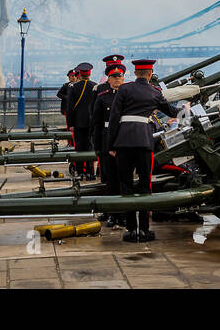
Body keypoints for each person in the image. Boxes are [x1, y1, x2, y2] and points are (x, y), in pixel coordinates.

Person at [107, 59, 178, 242]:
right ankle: (145, 230)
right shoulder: (155, 92)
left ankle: (131, 230)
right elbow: (171, 111)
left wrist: (111, 144)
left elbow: (114, 117)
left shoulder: (124, 89)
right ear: (150, 73)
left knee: (127, 185)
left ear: (135, 73)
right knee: (146, 185)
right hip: (145, 142)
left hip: (123, 141)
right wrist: (186, 109)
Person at [90, 60, 124, 226]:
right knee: (109, 178)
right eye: (114, 76)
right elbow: (96, 124)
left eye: (120, 76)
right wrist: (97, 147)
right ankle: (111, 212)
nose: (117, 79)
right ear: (108, 79)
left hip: (124, 141)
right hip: (105, 140)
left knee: (124, 178)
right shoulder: (102, 97)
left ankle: (123, 212)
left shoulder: (128, 95)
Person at [67, 62, 96, 178]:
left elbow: (70, 108)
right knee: (90, 147)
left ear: (80, 74)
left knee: (79, 147)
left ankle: (80, 172)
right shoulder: (95, 86)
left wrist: (70, 124)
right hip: (91, 122)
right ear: (89, 74)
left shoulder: (74, 87)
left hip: (78, 122)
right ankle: (90, 172)